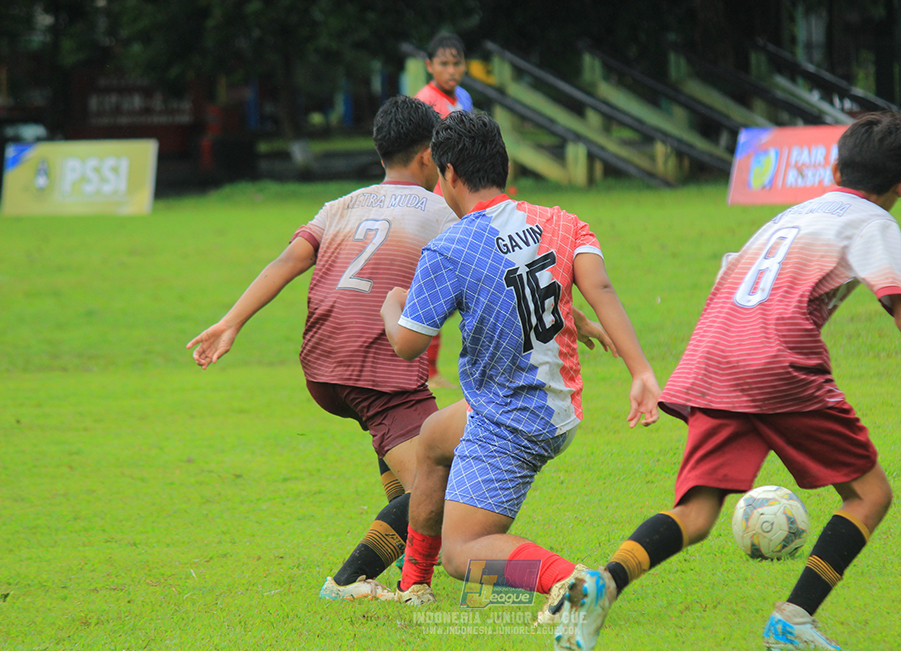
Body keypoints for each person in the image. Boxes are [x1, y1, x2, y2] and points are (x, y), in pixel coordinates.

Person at [552, 111, 901, 651]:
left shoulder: (794, 213)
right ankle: (794, 619)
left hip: (714, 354)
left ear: (836, 168)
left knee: (697, 514)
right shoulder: (873, 221)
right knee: (870, 494)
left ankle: (603, 582)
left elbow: (728, 275)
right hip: (778, 359)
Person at [380, 111, 661, 607]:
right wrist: (640, 370)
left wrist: (391, 305)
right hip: (558, 404)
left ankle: (575, 582)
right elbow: (596, 287)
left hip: (511, 419)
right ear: (503, 165)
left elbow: (407, 345)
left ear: (448, 174)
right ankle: (413, 584)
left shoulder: (449, 249)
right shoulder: (562, 222)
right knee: (434, 437)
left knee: (462, 553)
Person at [186, 95, 456, 602]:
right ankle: (348, 579)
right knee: (441, 482)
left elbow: (287, 262)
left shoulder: (341, 206)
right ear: (428, 157)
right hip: (376, 373)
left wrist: (231, 322)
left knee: (403, 450)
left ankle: (409, 540)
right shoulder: (441, 212)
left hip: (322, 369)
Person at [413, 32, 474, 389]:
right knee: (434, 284)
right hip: (436, 204)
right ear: (429, 65)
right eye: (444, 63)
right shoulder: (425, 102)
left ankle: (433, 369)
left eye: (457, 63)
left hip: (461, 201)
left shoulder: (463, 97)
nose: (451, 70)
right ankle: (427, 371)